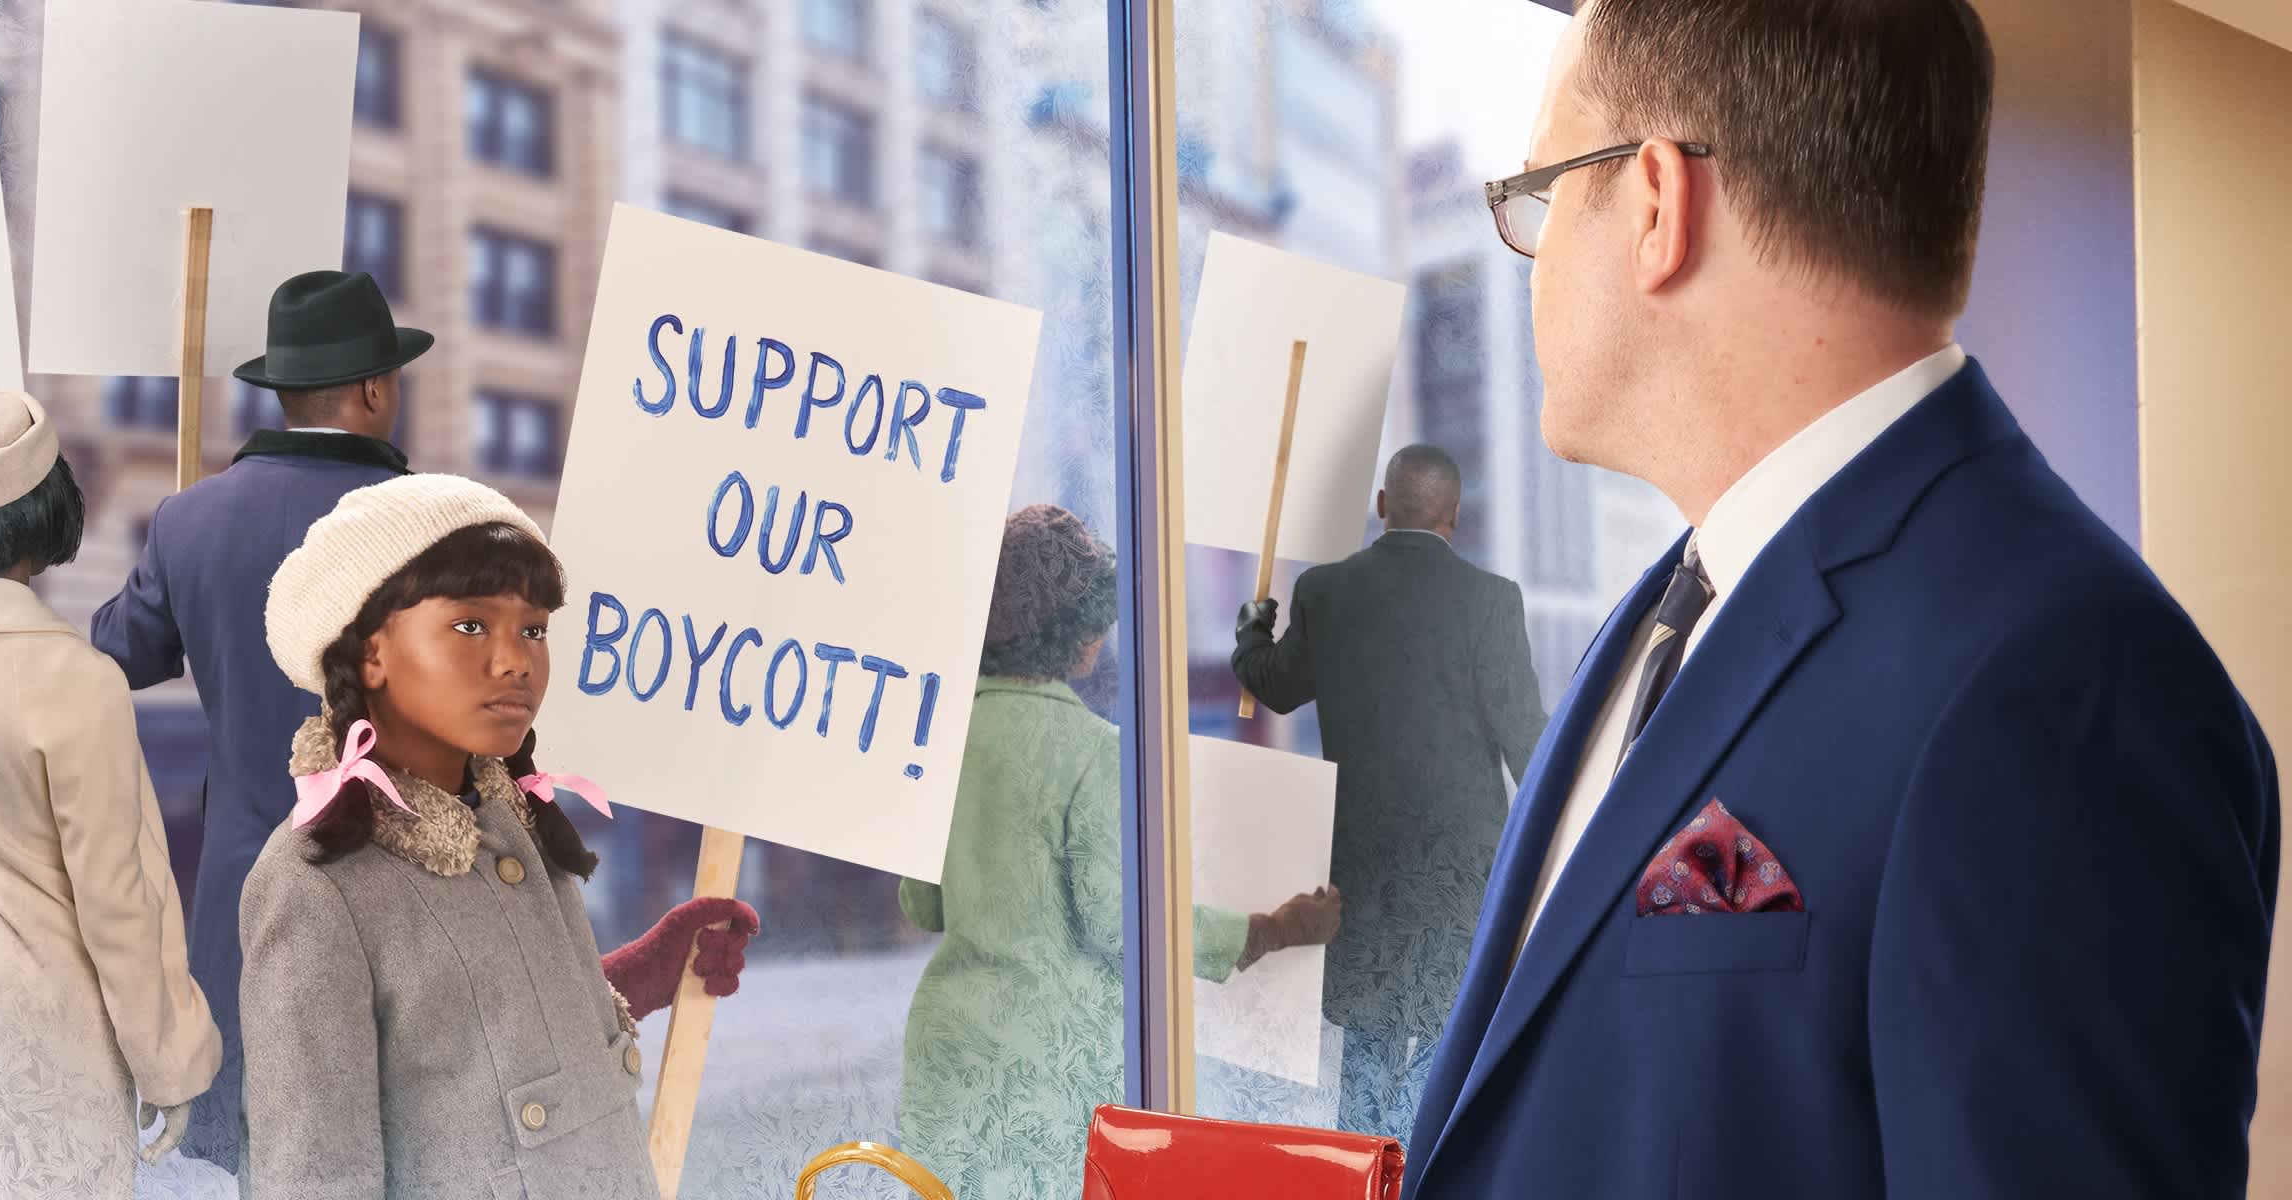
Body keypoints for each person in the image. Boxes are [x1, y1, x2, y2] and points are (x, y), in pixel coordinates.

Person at [1405, 2, 2278, 1198]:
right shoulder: (1671, 610)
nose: (1537, 256)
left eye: (1546, 197)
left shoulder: (2066, 681)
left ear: (1659, 202)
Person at [237, 473, 759, 1199]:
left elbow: (498, 1033)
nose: (517, 659)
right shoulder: (314, 882)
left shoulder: (509, 815)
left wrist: (653, 970)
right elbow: (314, 1175)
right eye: (472, 625)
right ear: (370, 654)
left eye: (534, 629)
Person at [897, 504, 1342, 1197]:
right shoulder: (1092, 753)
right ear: (1080, 634)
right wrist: (1270, 931)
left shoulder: (940, 741)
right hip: (1047, 1063)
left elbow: (921, 902)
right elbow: (1119, 922)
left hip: (947, 1048)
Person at [89, 269, 424, 1171]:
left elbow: (116, 653)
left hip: (243, 905)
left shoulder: (187, 519)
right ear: (372, 389)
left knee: (259, 1155)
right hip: (408, 900)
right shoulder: (436, 529)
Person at [0, 391, 220, 1198]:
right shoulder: (75, 679)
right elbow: (120, 900)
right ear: (49, 510)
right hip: (46, 1060)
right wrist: (169, 1061)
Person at [1230, 443, 1545, 1138]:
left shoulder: (1326, 591)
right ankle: (1425, 1162)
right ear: (1453, 518)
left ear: (1381, 507)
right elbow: (1526, 739)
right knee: (1450, 1032)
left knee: (1368, 1046)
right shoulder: (1492, 601)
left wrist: (1254, 625)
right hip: (1464, 867)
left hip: (1365, 863)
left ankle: (1371, 1172)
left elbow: (1275, 685)